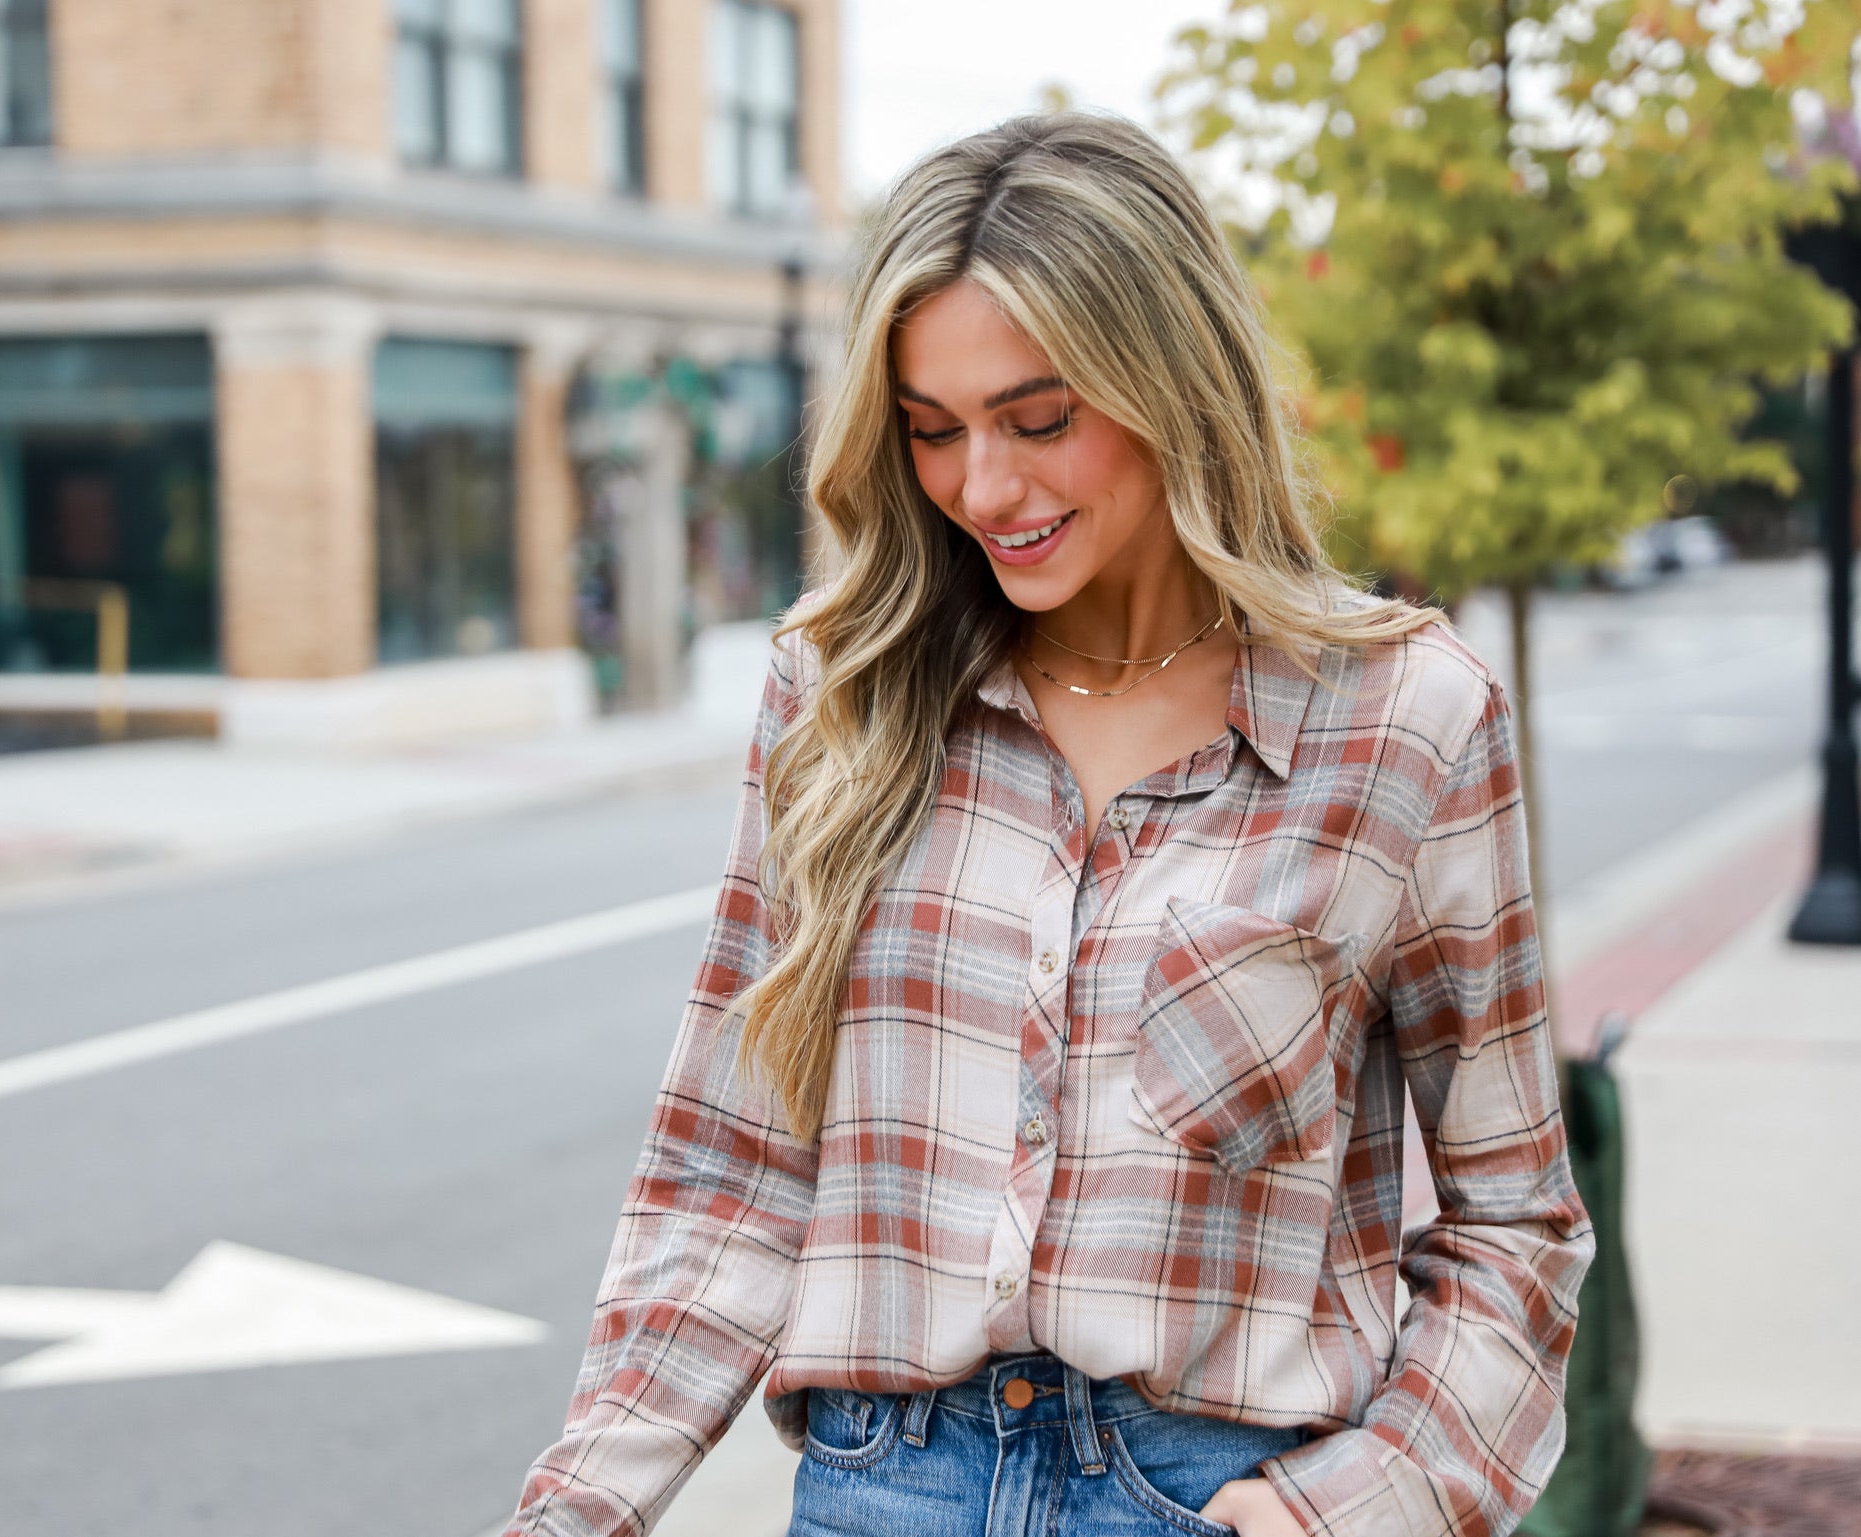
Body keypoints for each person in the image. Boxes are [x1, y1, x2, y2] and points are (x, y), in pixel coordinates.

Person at [503, 112, 1591, 1537]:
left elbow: (1517, 1223)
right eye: (930, 431)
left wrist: (1356, 1507)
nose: (984, 489)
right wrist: (574, 1507)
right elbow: (728, 1172)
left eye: (1037, 419)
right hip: (881, 1487)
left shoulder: (1403, 720)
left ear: (1172, 382)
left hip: (1211, 1497)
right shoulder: (840, 694)